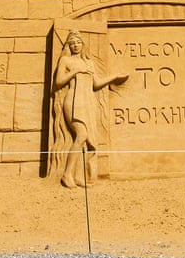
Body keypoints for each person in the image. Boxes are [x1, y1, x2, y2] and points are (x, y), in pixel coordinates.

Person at [50, 31, 127, 188]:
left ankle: (80, 176)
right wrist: (75, 71)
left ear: (83, 44)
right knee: (82, 134)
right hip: (74, 100)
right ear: (69, 46)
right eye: (72, 43)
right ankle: (67, 174)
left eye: (78, 42)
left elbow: (96, 84)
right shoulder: (66, 60)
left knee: (86, 140)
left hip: (88, 101)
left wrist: (114, 77)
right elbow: (58, 82)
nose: (76, 45)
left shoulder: (89, 62)